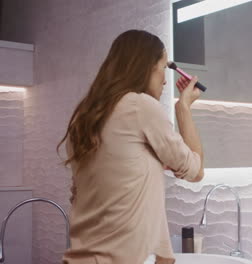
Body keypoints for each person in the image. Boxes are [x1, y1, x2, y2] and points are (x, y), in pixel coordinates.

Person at [57, 30, 204, 264]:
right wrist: (183, 108)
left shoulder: (84, 118)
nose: (165, 80)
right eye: (163, 67)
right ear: (146, 66)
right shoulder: (139, 106)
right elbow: (196, 171)